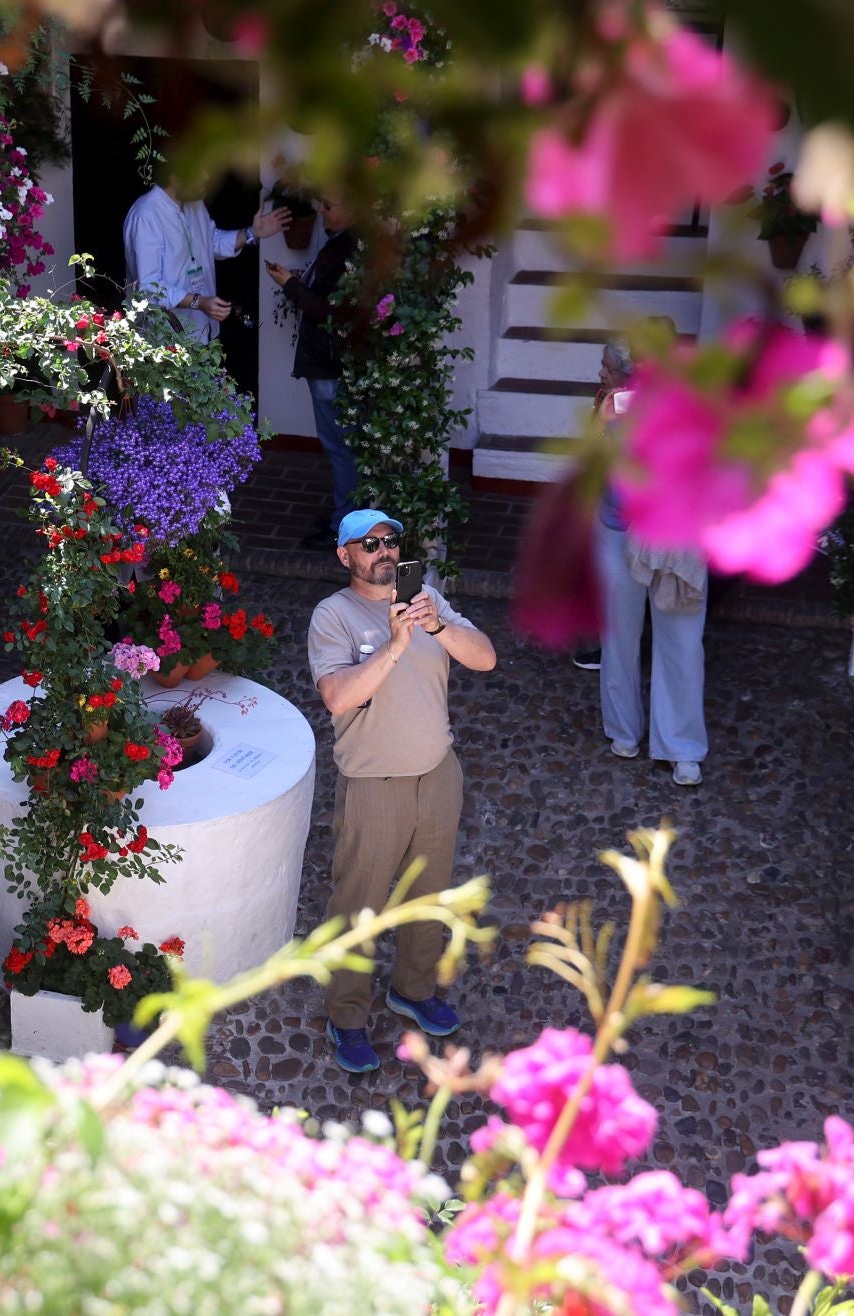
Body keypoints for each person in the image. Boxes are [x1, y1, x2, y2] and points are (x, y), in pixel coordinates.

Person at [307, 508, 498, 1074]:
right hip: (373, 784)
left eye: (390, 541)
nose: (382, 550)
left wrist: (437, 626)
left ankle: (412, 989)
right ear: (345, 556)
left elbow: (485, 658)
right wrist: (393, 644)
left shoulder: (428, 601)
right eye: (368, 544)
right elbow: (338, 697)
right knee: (357, 905)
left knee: (429, 893)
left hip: (438, 773)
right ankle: (347, 1017)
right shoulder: (332, 616)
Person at [592, 338, 708, 786]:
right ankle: (623, 731)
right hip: (616, 533)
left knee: (681, 642)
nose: (600, 374)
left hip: (673, 541)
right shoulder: (605, 406)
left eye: (606, 367)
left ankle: (682, 748)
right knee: (619, 637)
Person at [266, 194, 362, 541]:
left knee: (341, 445)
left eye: (329, 204)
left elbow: (331, 312)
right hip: (326, 361)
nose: (322, 211)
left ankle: (346, 524)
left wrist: (290, 286)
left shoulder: (351, 250)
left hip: (329, 362)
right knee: (339, 443)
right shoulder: (340, 245)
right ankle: (344, 516)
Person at [121, 160, 290, 346]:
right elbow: (149, 289)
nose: (206, 177)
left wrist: (251, 233)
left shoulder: (195, 204)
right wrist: (198, 302)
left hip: (202, 332)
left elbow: (211, 242)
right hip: (165, 342)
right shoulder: (145, 216)